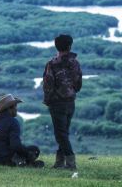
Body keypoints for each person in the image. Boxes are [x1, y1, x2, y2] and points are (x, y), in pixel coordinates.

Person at [43, 34, 82, 170]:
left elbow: (48, 85)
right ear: (70, 46)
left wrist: (48, 100)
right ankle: (59, 162)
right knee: (63, 133)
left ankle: (71, 163)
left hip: (56, 103)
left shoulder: (52, 64)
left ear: (56, 46)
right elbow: (78, 84)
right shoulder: (75, 63)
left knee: (60, 134)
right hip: (70, 102)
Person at [0, 94, 44, 167]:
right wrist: (27, 154)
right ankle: (26, 163)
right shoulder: (13, 122)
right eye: (15, 107)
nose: (16, 109)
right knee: (34, 149)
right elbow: (16, 146)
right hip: (2, 159)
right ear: (10, 108)